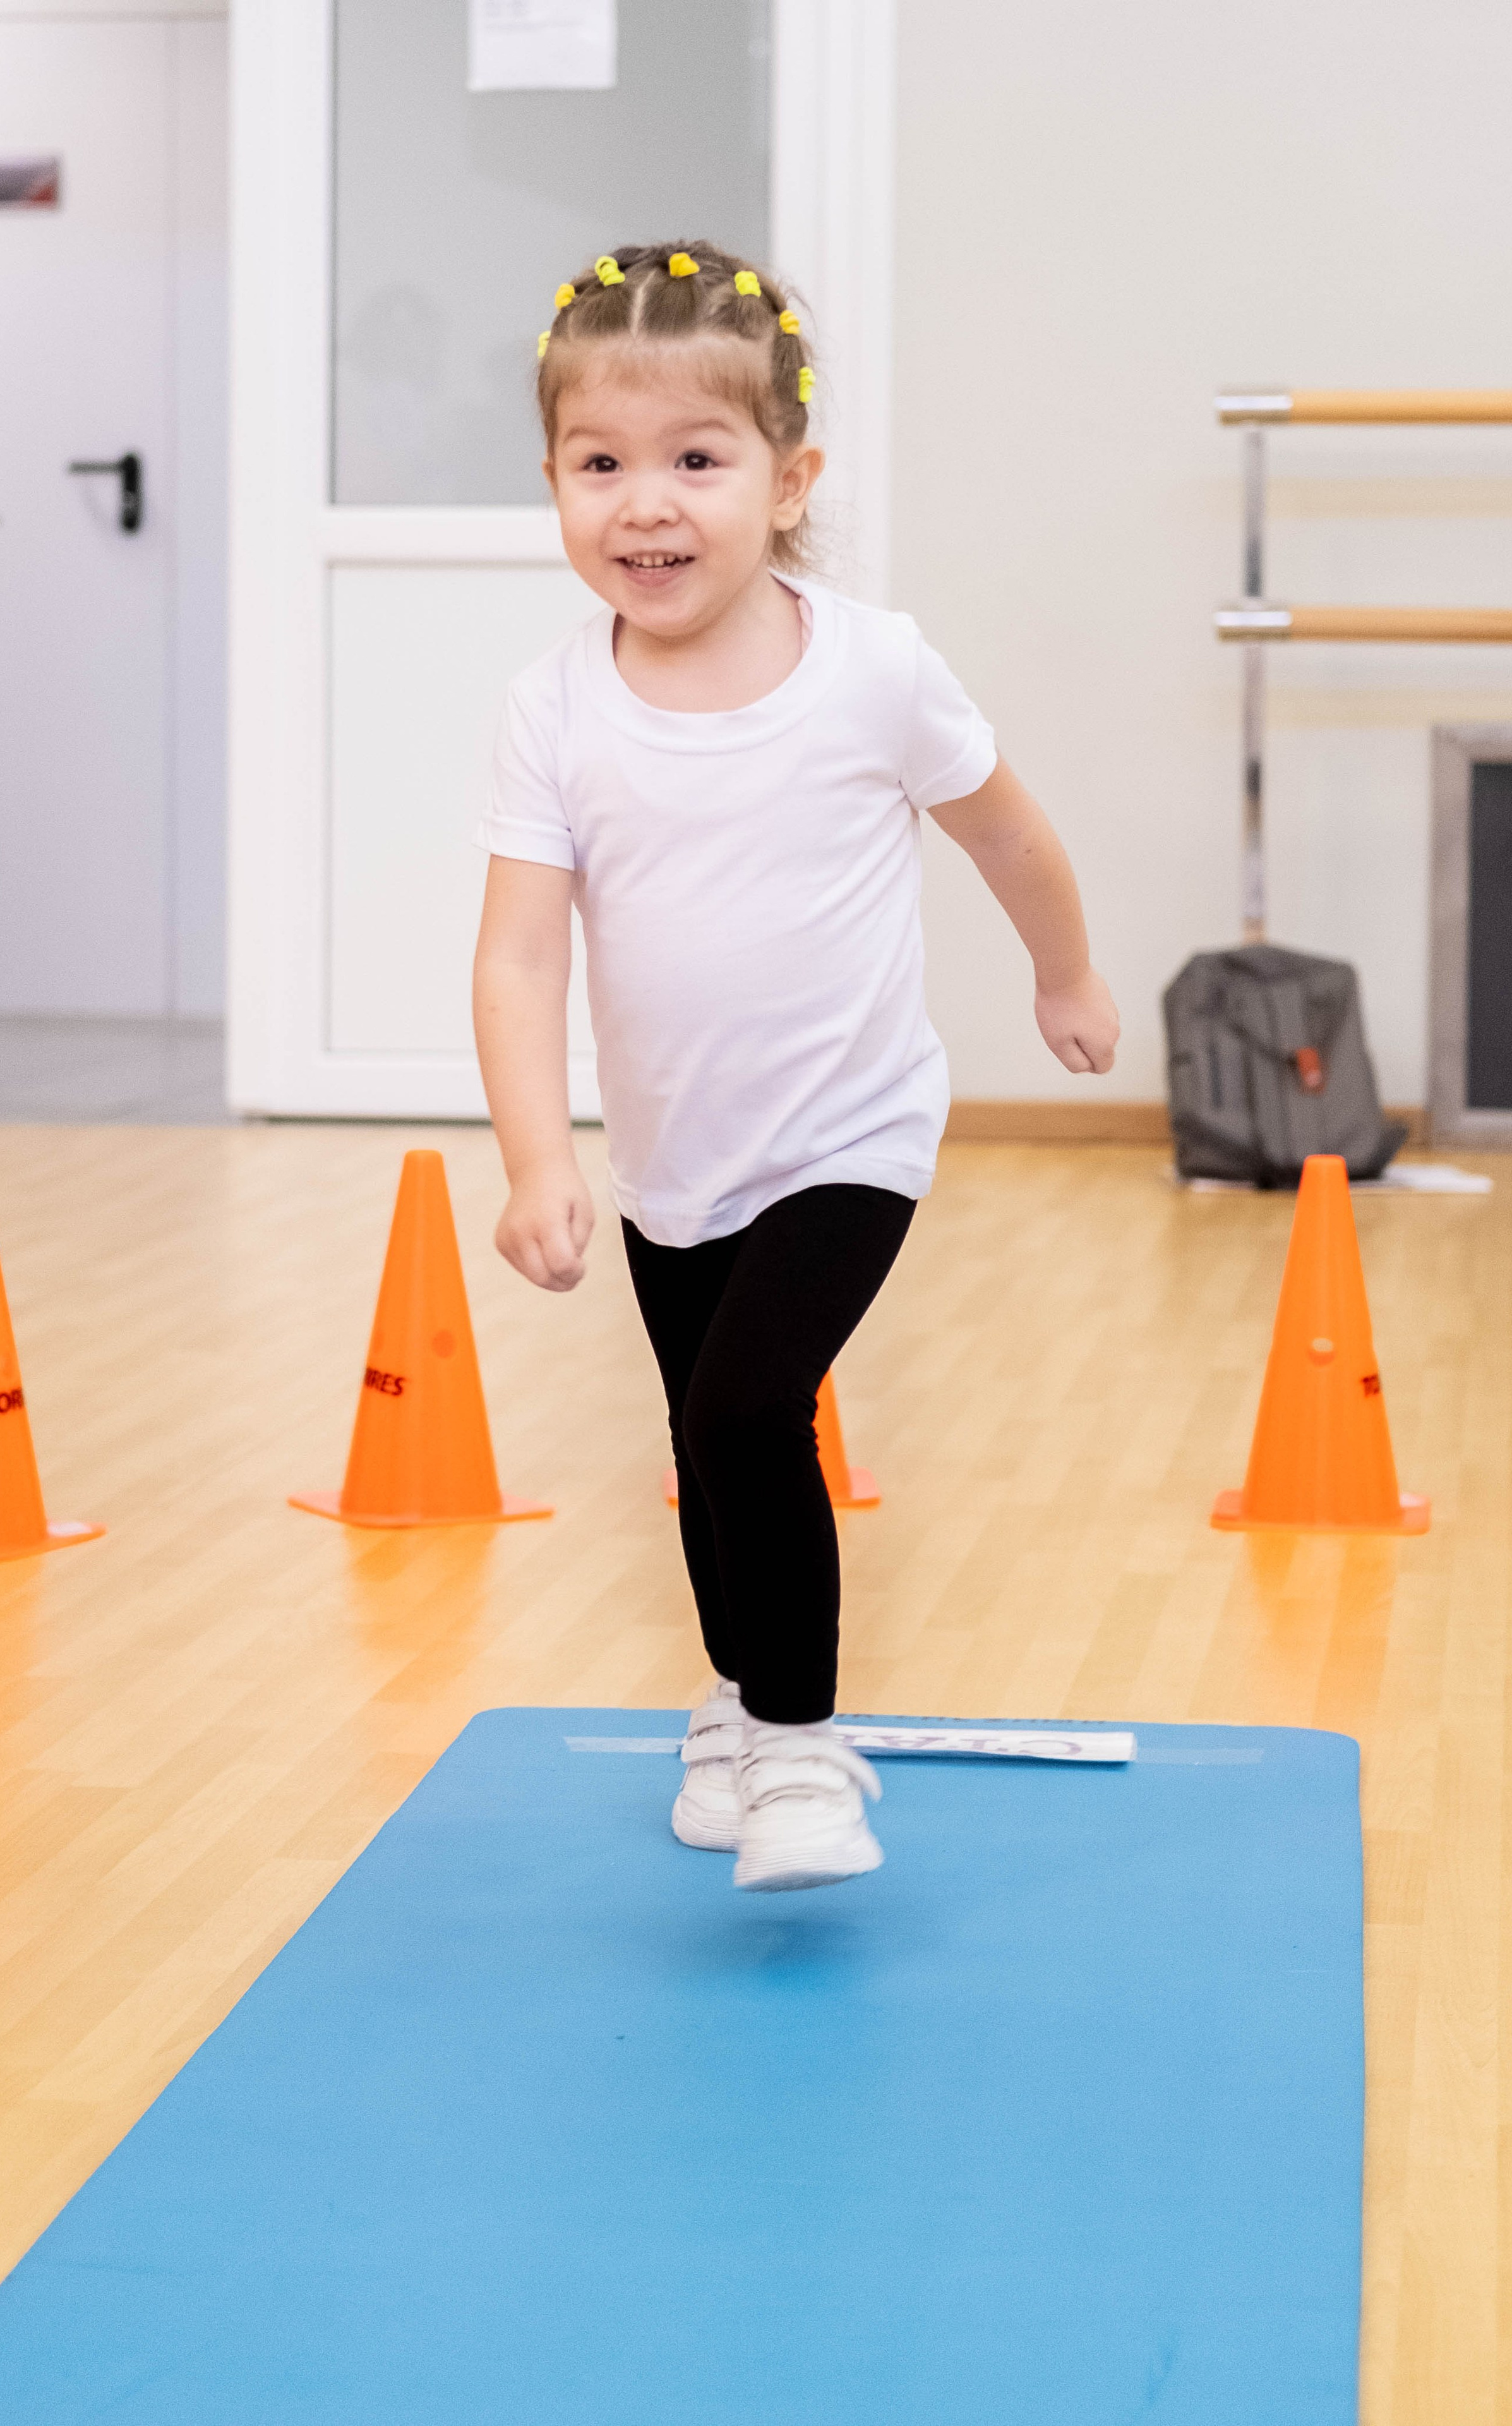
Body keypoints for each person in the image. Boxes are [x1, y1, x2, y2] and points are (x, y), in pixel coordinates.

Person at [472, 241, 1119, 1893]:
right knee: (708, 1440)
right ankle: (739, 1709)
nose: (647, 505)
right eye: (599, 464)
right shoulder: (555, 711)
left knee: (755, 1407)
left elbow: (1010, 828)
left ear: (789, 478)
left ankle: (803, 1752)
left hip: (855, 1130)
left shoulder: (872, 670)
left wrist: (1066, 973)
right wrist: (538, 1157)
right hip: (676, 1160)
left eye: (697, 459)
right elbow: (523, 953)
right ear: (552, 477)